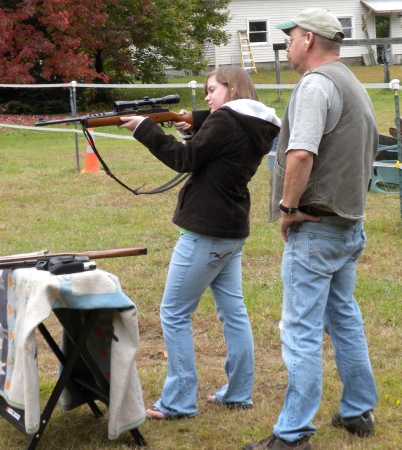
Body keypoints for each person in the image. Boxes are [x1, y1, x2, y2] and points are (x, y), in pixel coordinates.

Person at [244, 8, 378, 450]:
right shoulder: (353, 83)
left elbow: (301, 154)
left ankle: (293, 433)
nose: (285, 43)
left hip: (317, 227)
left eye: (291, 36)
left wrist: (287, 207)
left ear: (308, 41)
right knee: (344, 318)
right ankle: (359, 411)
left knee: (299, 329)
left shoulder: (316, 85)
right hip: (347, 225)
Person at [119, 66, 281, 419]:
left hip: (206, 230)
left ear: (233, 87)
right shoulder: (255, 122)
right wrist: (195, 125)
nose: (207, 97)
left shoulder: (224, 121)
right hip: (231, 228)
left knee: (174, 313)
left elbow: (185, 159)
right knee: (233, 313)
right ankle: (238, 393)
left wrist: (146, 130)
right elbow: (217, 147)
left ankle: (177, 401)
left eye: (212, 90)